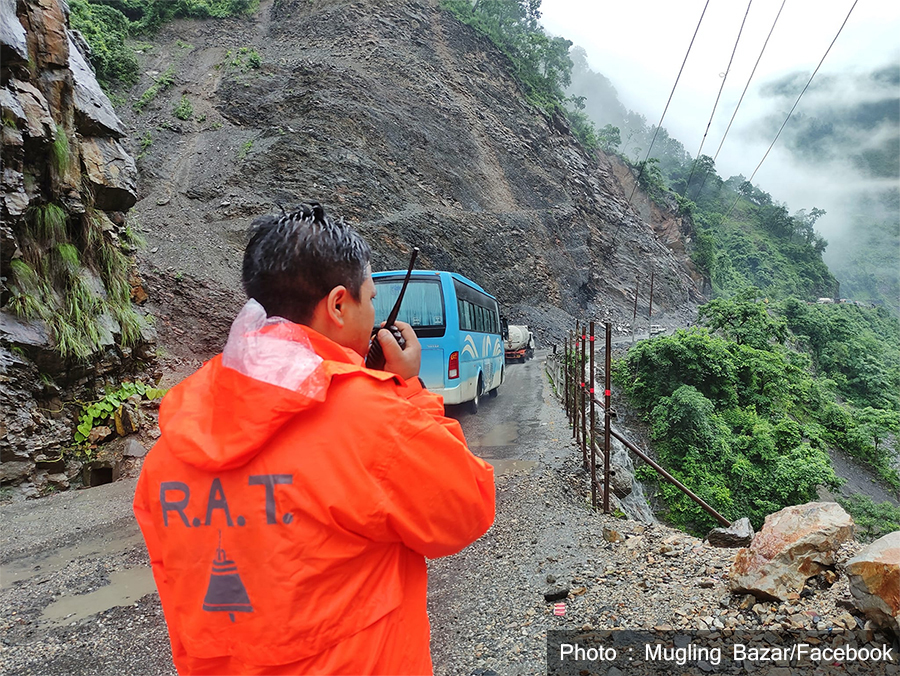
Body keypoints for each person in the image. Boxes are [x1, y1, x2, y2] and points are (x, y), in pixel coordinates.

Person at [133, 201, 496, 675]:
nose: (374, 314)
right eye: (371, 299)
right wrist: (409, 388)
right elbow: (466, 507)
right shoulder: (373, 418)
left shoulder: (171, 445)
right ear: (338, 304)